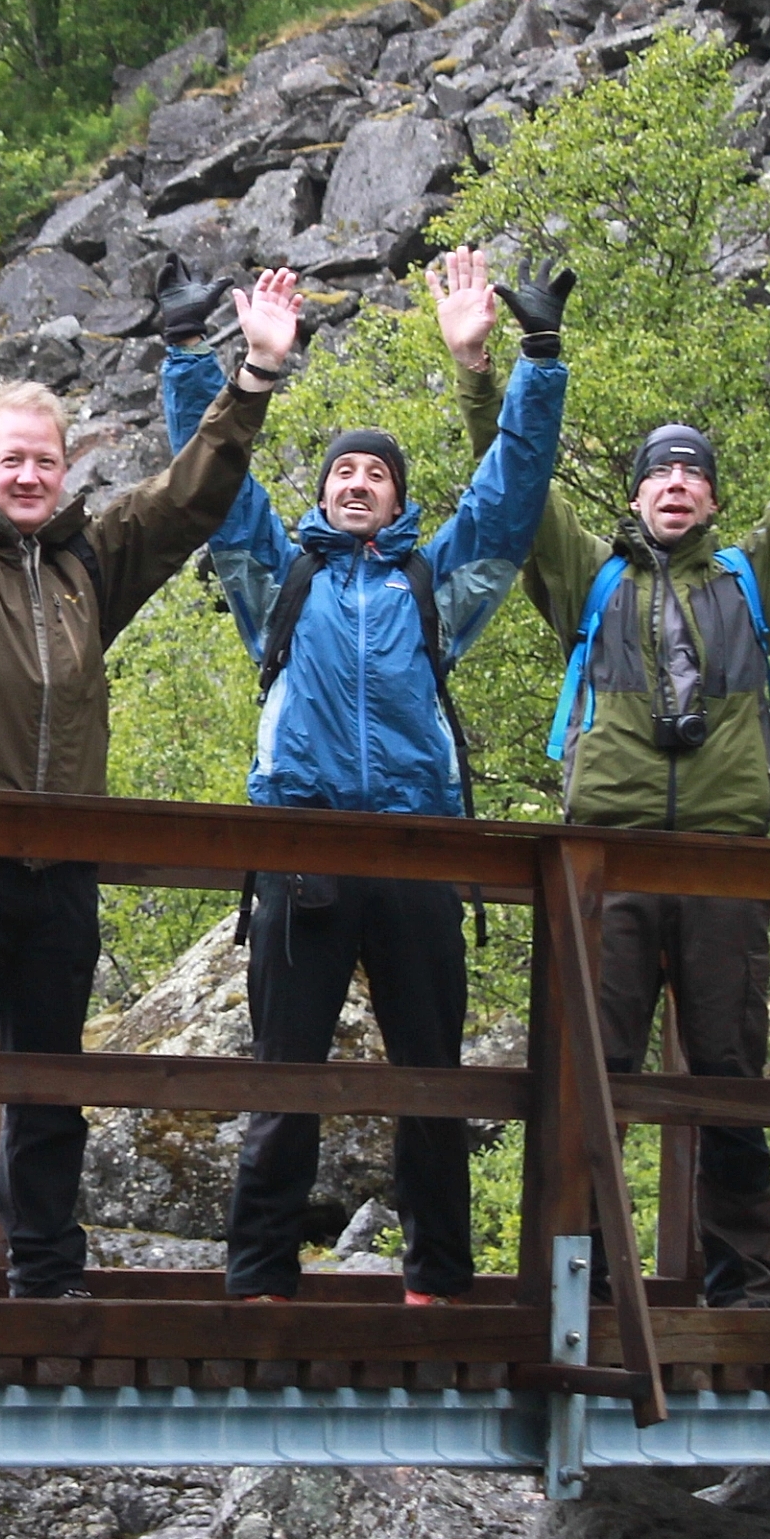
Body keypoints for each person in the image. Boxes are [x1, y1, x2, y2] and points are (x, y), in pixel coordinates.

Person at [460, 256, 770, 1309]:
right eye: (658, 472)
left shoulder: (756, 577)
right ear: (634, 494)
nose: (675, 484)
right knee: (595, 1075)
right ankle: (576, 1278)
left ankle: (743, 1279)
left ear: (713, 496)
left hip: (724, 861)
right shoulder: (589, 576)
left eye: (693, 473)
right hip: (607, 863)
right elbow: (512, 485)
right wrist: (481, 374)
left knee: (729, 1075)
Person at [0, 267, 283, 1299]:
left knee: (52, 1084)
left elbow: (193, 496)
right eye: (12, 459)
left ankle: (47, 1271)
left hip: (56, 869)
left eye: (45, 460)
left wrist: (257, 373)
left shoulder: (89, 561)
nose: (30, 476)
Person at [176, 248, 568, 1307]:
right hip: (298, 849)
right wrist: (188, 358)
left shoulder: (436, 583)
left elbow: (511, 493)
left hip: (416, 847)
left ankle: (437, 1275)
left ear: (397, 499)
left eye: (377, 474)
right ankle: (259, 1275)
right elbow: (212, 485)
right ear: (324, 494)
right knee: (284, 1074)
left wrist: (531, 358)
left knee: (430, 1076)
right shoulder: (280, 577)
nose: (358, 483)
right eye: (343, 472)